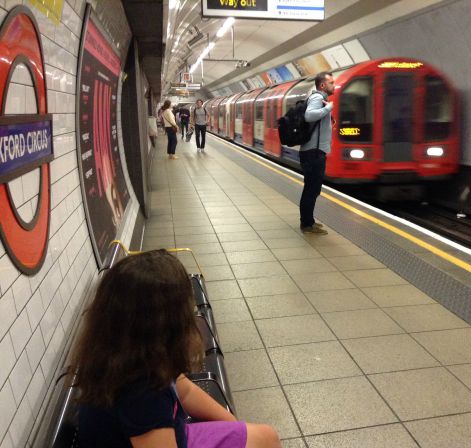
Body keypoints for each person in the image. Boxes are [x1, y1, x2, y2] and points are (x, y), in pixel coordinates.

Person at [71, 250, 282, 448]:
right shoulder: (143, 392)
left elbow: (186, 391)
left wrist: (235, 426)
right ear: (169, 322)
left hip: (171, 433)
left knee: (265, 436)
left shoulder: (131, 354)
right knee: (265, 439)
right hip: (166, 437)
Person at [299, 71, 336, 235]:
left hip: (315, 152)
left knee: (312, 189)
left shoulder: (319, 98)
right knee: (311, 190)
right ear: (322, 85)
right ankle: (307, 224)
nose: (333, 85)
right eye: (331, 83)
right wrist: (328, 108)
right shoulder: (317, 98)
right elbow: (309, 116)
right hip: (313, 153)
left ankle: (309, 221)